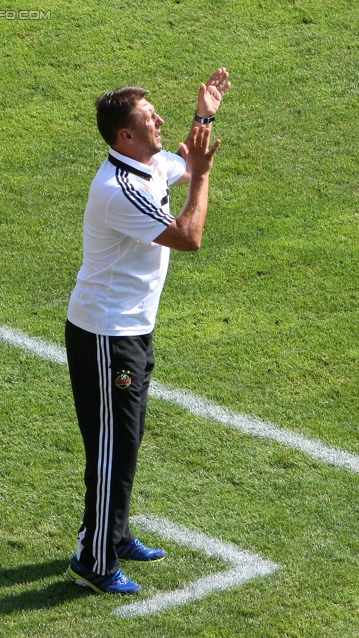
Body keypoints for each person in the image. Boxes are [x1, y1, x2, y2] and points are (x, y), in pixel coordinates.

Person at [65, 68, 231, 594]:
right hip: (106, 337)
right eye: (148, 117)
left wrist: (204, 115)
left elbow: (177, 161)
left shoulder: (144, 163)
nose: (160, 119)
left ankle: (114, 534)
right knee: (112, 447)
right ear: (125, 137)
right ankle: (93, 561)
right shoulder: (119, 190)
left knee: (123, 443)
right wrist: (203, 176)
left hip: (129, 329)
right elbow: (188, 237)